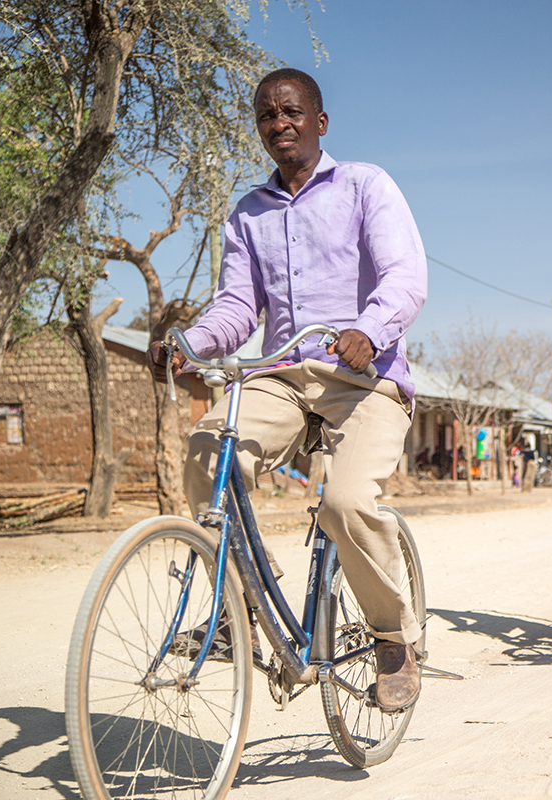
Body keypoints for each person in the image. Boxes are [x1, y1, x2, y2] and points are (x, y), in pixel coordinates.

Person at [147, 68, 427, 713]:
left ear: (320, 122)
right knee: (206, 448)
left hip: (364, 378)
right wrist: (192, 342)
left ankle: (392, 635)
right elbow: (238, 307)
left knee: (346, 502)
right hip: (280, 374)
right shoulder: (249, 212)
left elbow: (405, 277)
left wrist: (370, 329)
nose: (280, 124)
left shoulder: (365, 185)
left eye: (293, 113)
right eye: (268, 116)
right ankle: (242, 603)